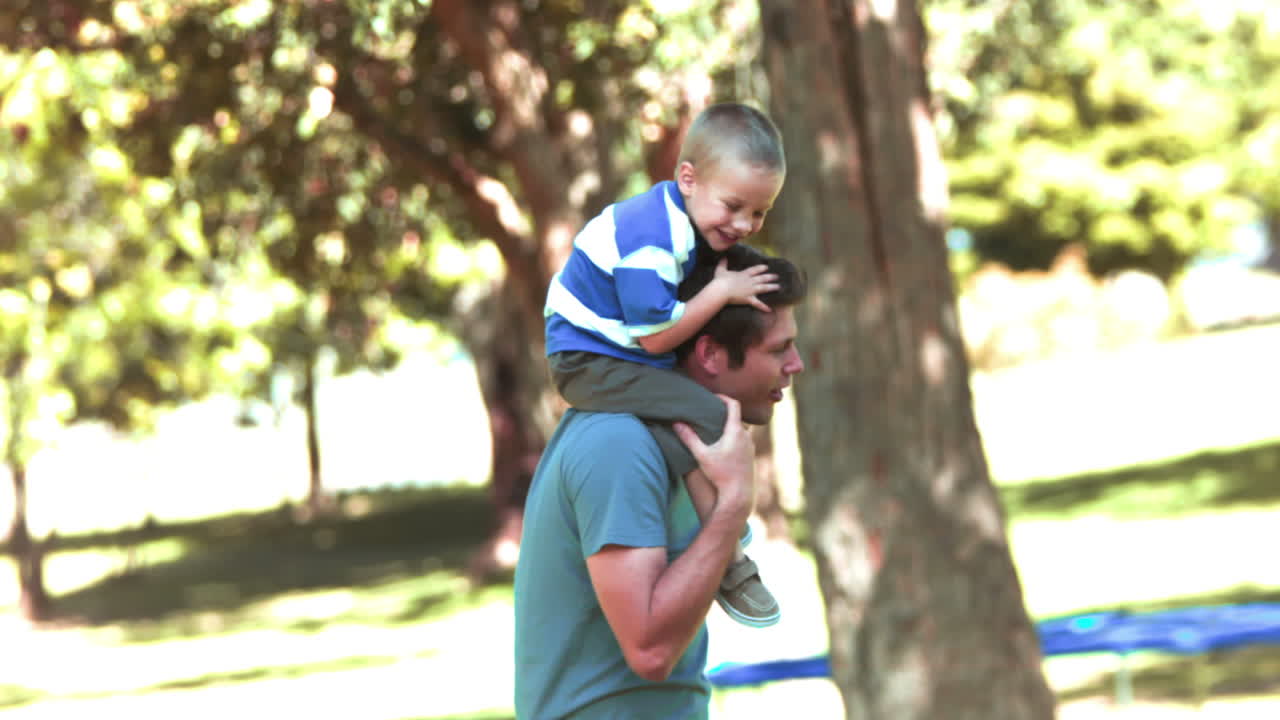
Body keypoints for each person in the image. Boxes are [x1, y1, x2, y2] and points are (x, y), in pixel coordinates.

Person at [516, 243, 807, 719]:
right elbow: (649, 651)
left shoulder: (676, 441)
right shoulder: (618, 443)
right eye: (779, 349)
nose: (796, 364)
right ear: (710, 353)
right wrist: (733, 502)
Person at [543, 102, 787, 627]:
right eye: (733, 205)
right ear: (688, 178)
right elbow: (654, 340)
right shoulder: (653, 238)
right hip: (590, 360)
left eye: (759, 212)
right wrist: (723, 291)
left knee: (678, 420)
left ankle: (719, 540)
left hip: (612, 350)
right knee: (705, 412)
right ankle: (727, 548)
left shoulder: (679, 219)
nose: (744, 224)